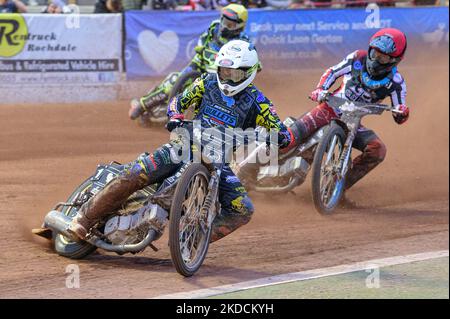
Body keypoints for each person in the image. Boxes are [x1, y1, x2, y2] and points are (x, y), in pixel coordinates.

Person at [69, 40, 292, 243]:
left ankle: (195, 241)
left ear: (249, 73)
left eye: (235, 74)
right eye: (224, 71)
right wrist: (175, 116)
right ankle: (85, 218)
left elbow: (281, 130)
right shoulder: (207, 82)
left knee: (242, 209)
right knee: (137, 173)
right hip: (183, 146)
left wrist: (281, 136)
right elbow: (178, 101)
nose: (227, 77)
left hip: (219, 164)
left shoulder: (259, 102)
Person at [288, 28, 410, 205]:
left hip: (353, 122)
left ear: (394, 60)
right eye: (374, 53)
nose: (376, 59)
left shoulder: (396, 82)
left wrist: (402, 112)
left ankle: (336, 188)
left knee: (378, 150)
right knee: (291, 137)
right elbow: (332, 72)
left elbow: (400, 109)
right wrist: (321, 89)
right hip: (329, 108)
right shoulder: (357, 58)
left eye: (382, 57)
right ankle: (256, 165)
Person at [128, 3, 253, 121]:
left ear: (239, 26)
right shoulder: (214, 27)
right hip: (200, 63)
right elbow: (202, 41)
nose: (224, 26)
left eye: (229, 24)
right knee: (175, 80)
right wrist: (201, 50)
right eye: (224, 21)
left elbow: (253, 63)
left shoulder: (243, 42)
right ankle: (141, 105)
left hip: (220, 76)